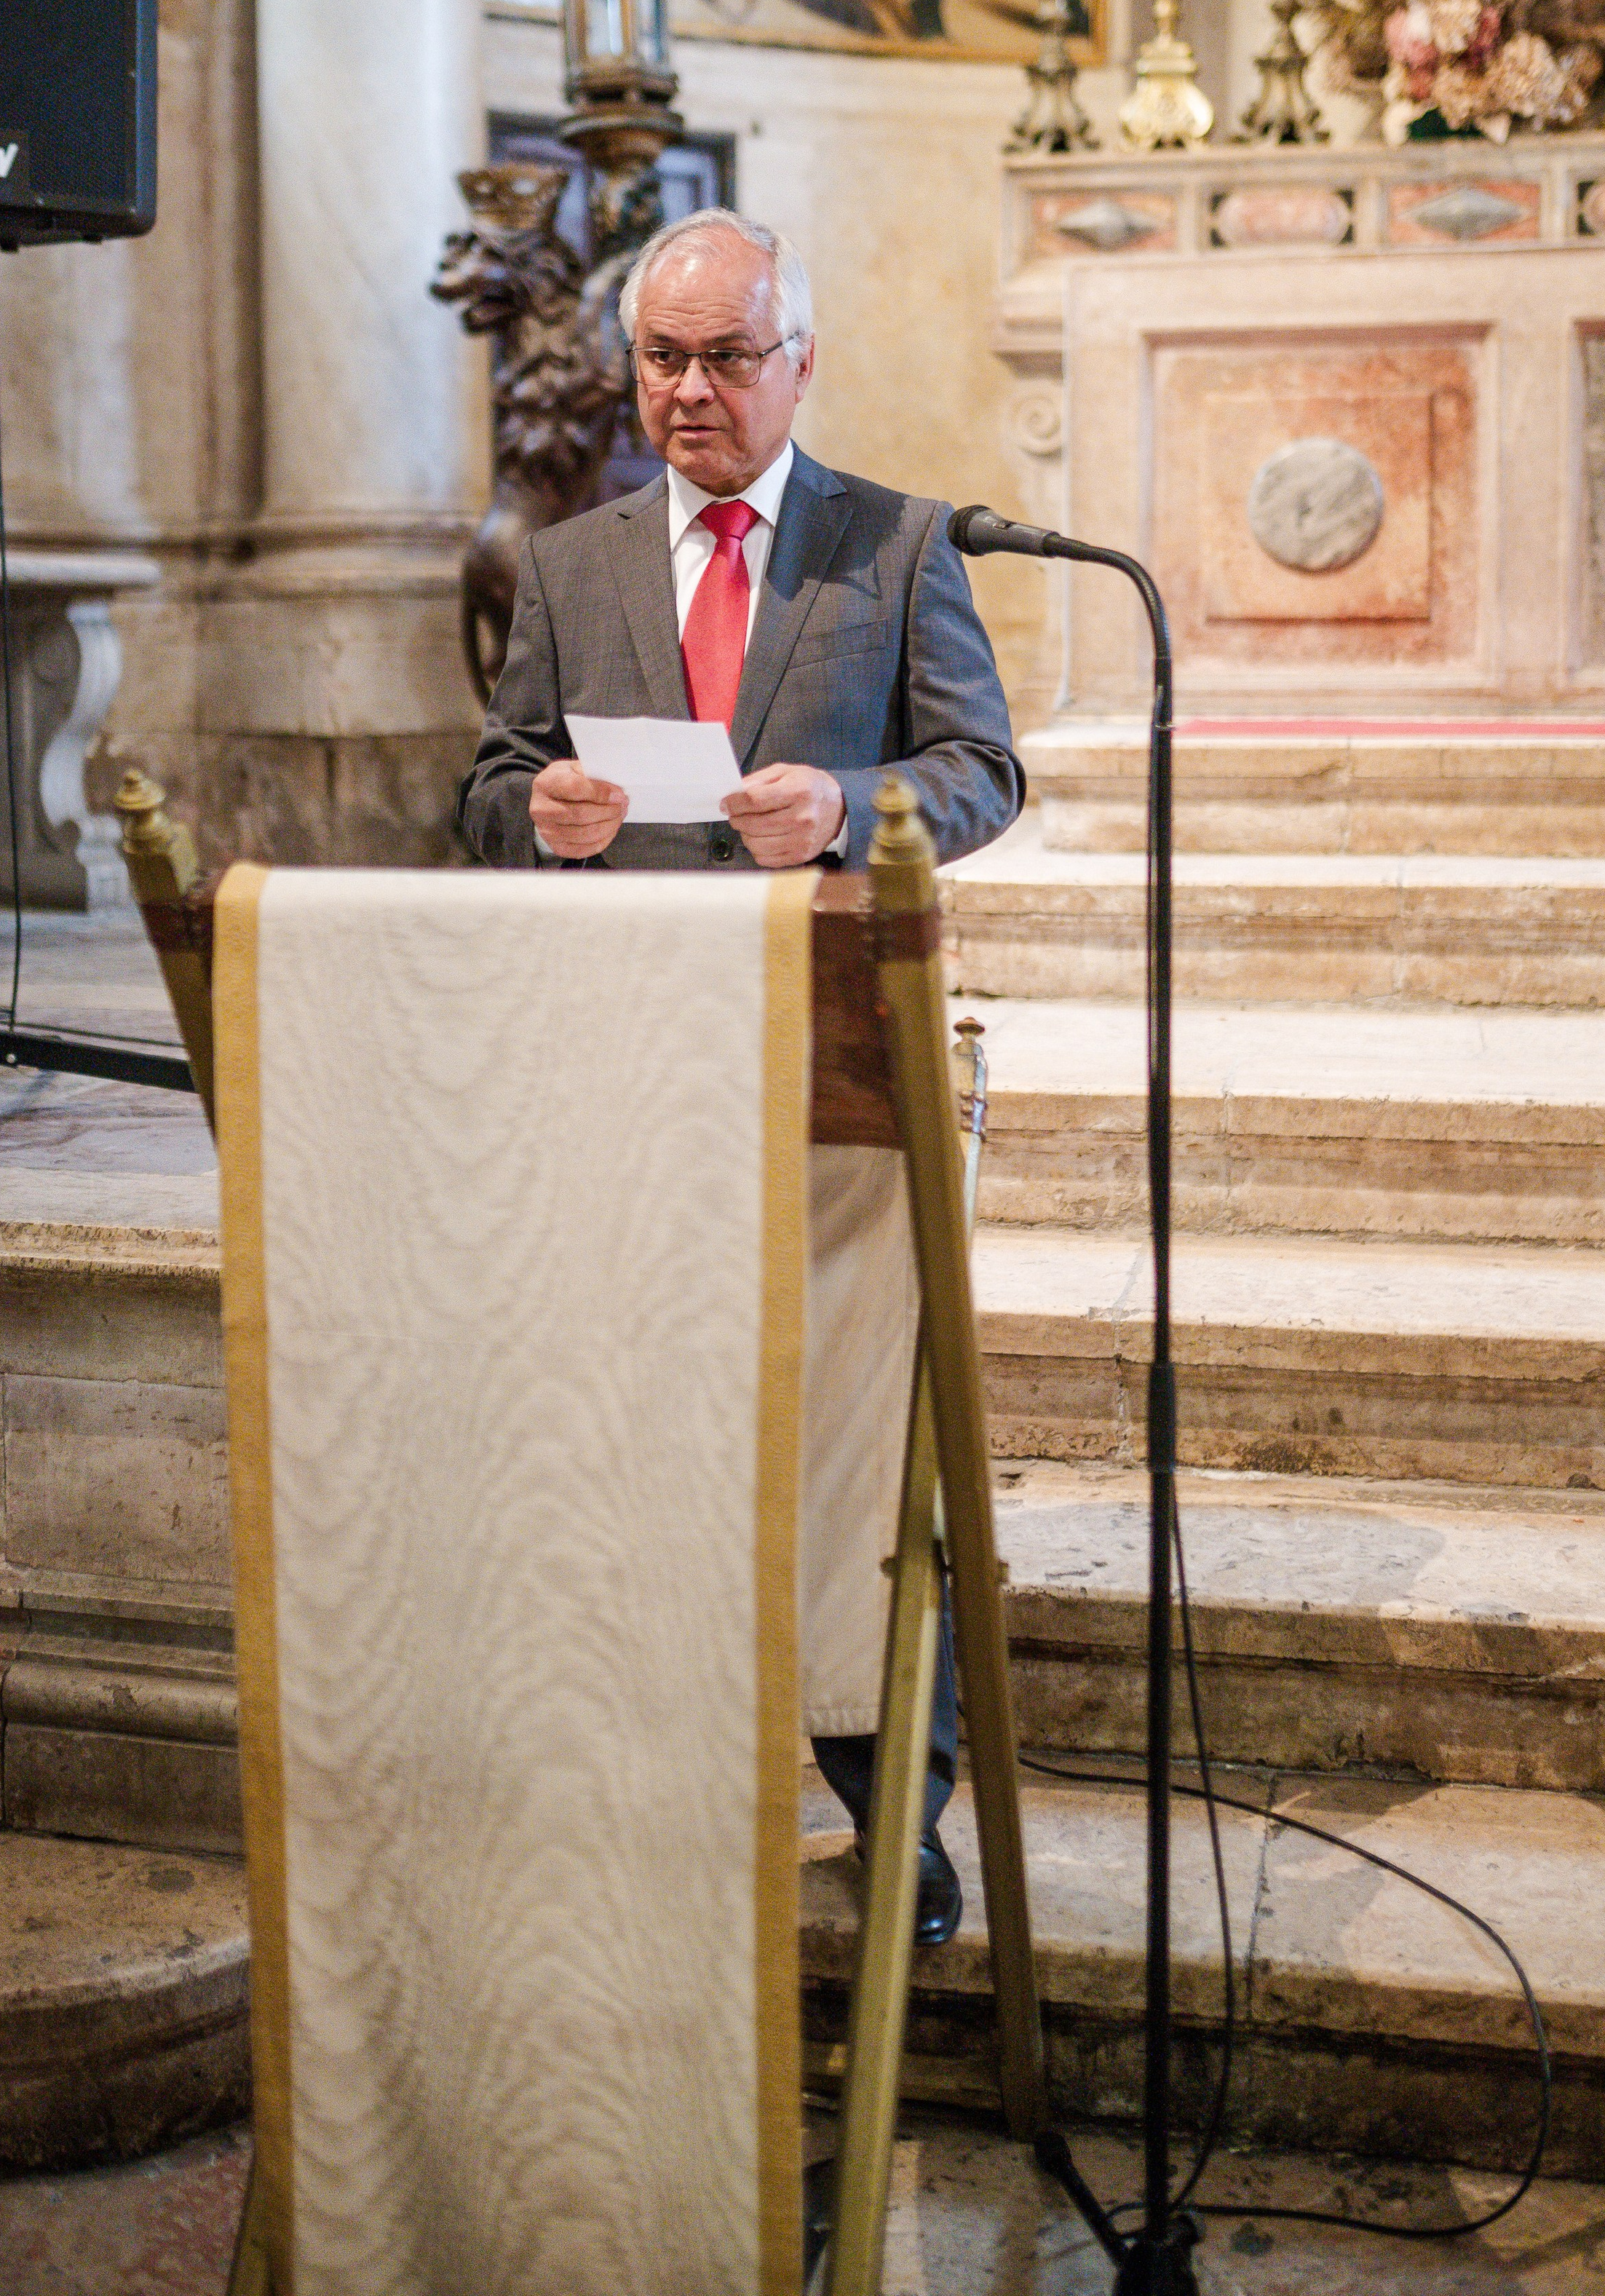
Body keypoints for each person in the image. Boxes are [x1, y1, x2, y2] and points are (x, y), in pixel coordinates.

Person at [458, 206, 1023, 1942]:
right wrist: (532, 816)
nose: (687, 392)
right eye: (660, 360)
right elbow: (488, 783)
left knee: (856, 1443)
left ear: (798, 362)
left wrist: (850, 807)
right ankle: (650, 1768)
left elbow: (985, 767)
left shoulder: (896, 541)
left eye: (722, 358)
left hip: (830, 1043)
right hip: (622, 1049)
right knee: (645, 1424)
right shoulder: (567, 565)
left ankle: (890, 1811)